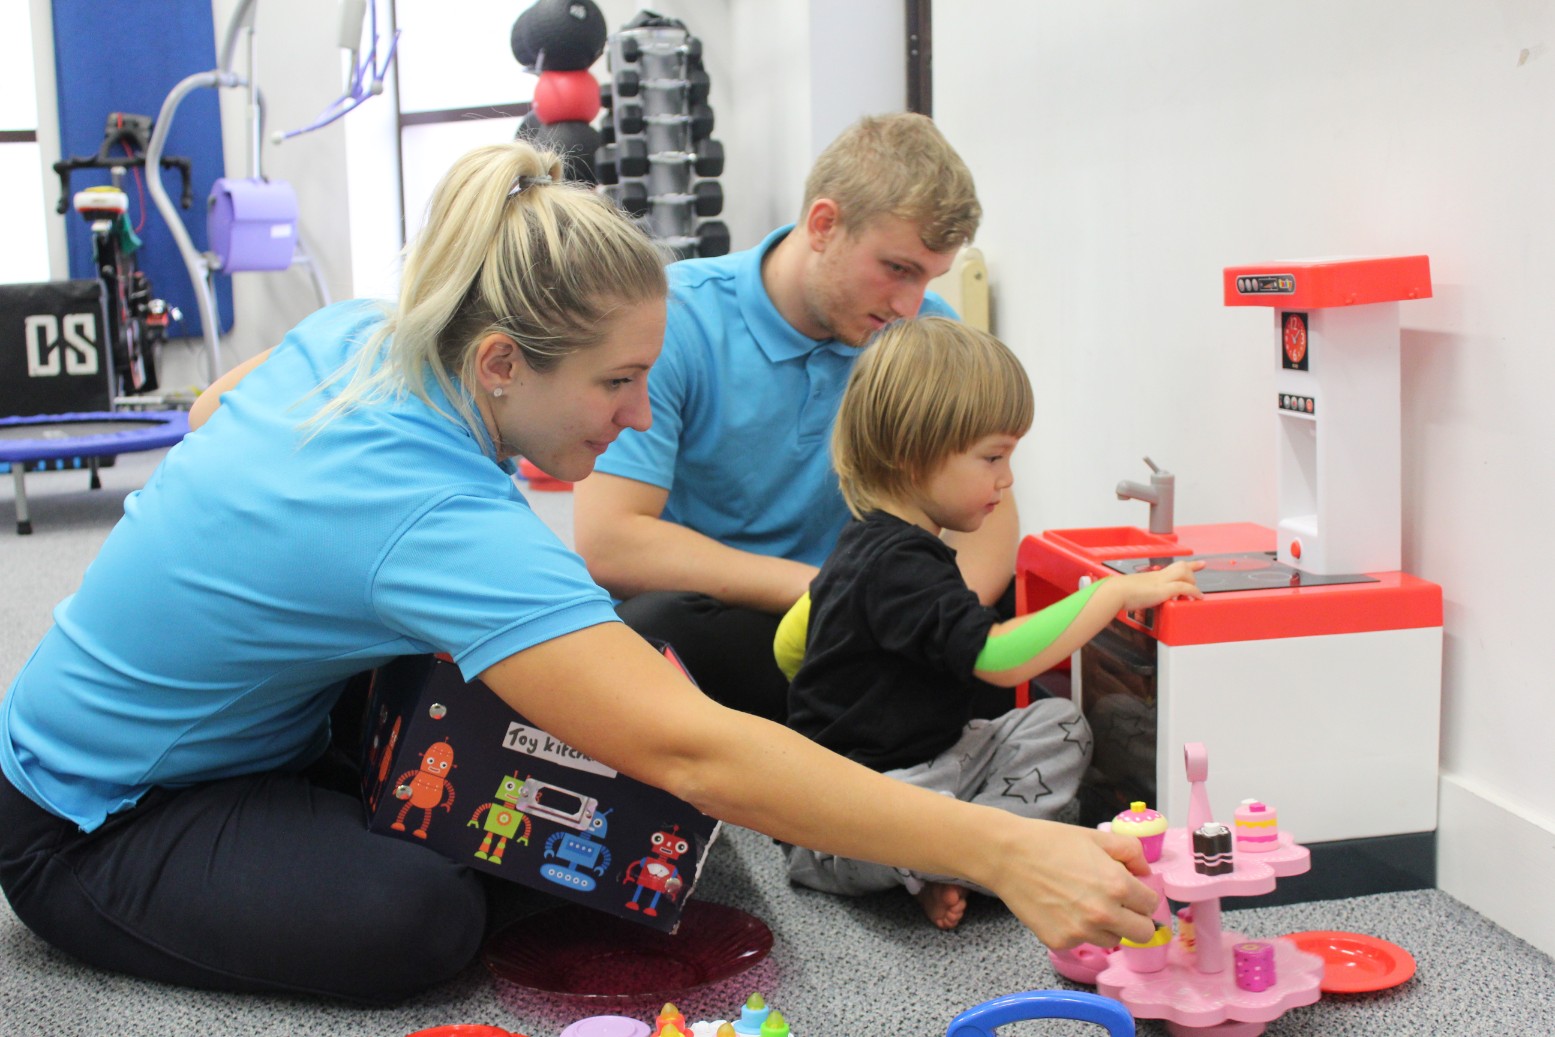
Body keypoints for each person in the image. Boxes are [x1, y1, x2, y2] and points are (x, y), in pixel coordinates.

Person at [0, 140, 1162, 1007]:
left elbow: (213, 402)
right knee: (427, 917)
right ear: (501, 361)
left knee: (611, 820)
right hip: (91, 813)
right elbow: (693, 745)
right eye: (616, 382)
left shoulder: (368, 331)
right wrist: (1010, 844)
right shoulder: (434, 514)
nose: (641, 412)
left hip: (263, 729)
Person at [574, 112, 1017, 724]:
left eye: (928, 277)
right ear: (824, 224)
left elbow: (988, 524)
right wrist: (831, 593)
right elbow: (611, 542)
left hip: (877, 623)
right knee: (652, 629)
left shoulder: (928, 331)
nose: (909, 304)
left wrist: (931, 618)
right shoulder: (675, 316)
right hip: (750, 621)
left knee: (1013, 614)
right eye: (897, 269)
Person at [778, 317, 1205, 930]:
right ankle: (964, 858)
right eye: (993, 457)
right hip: (856, 813)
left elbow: (789, 645)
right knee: (925, 803)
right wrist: (1111, 595)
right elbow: (999, 658)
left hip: (932, 773)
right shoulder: (898, 563)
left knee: (1057, 723)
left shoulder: (874, 541)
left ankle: (943, 865)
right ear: (910, 451)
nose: (1006, 479)